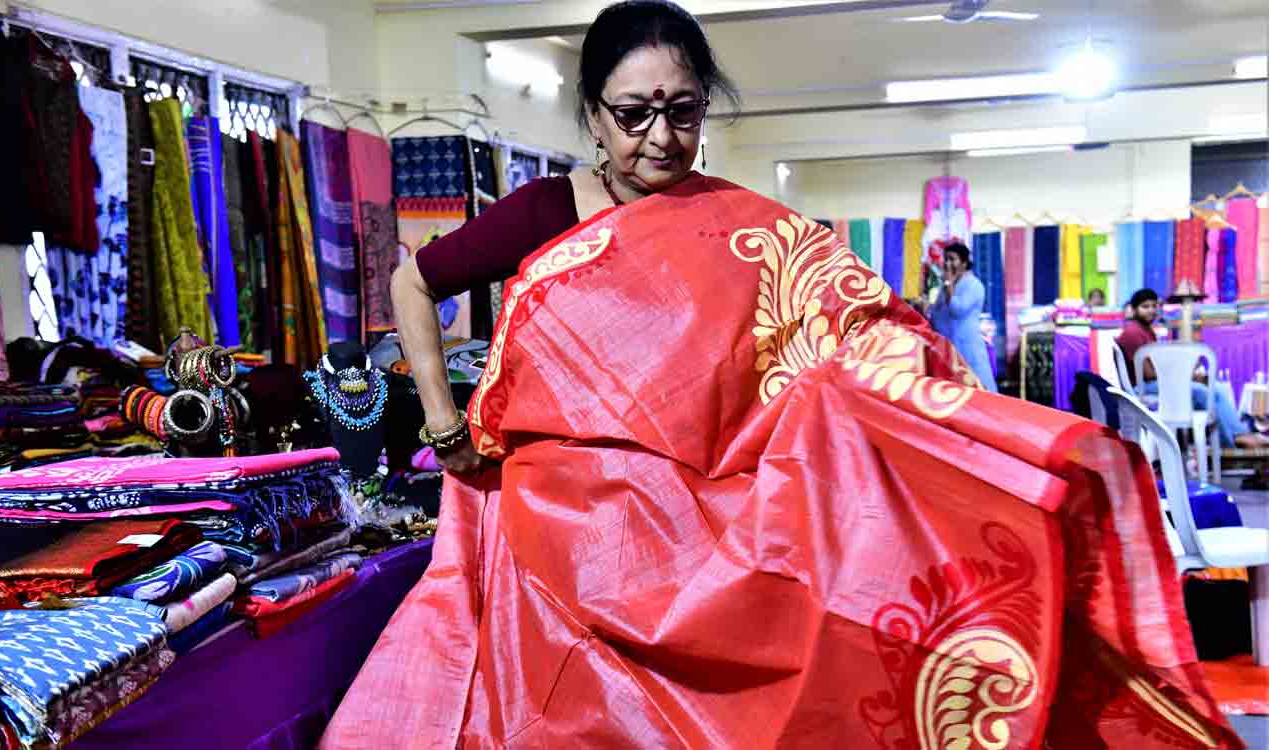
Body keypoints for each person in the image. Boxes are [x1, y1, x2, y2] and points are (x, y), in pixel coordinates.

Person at [320, 4, 1237, 748]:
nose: (660, 136)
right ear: (594, 116)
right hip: (570, 535)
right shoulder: (547, 212)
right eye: (633, 112)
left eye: (683, 109)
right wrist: (445, 426)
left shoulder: (745, 227)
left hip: (710, 523)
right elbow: (412, 278)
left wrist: (958, 420)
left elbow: (844, 330)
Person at [1117, 287, 1267, 449]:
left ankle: (1238, 435)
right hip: (1143, 387)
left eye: (1154, 306)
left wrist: (1189, 376)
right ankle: (1230, 442)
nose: (1151, 311)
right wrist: (1187, 377)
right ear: (1133, 309)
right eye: (1145, 307)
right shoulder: (1132, 333)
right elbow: (1148, 374)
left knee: (1216, 388)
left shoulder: (1146, 330)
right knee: (1204, 392)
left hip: (1157, 383)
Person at [928, 243, 998, 392]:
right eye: (946, 259)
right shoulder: (946, 286)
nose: (947, 263)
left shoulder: (974, 285)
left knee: (977, 392)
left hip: (967, 348)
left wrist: (948, 283)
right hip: (948, 348)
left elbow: (956, 310)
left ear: (964, 263)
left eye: (952, 259)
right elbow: (936, 313)